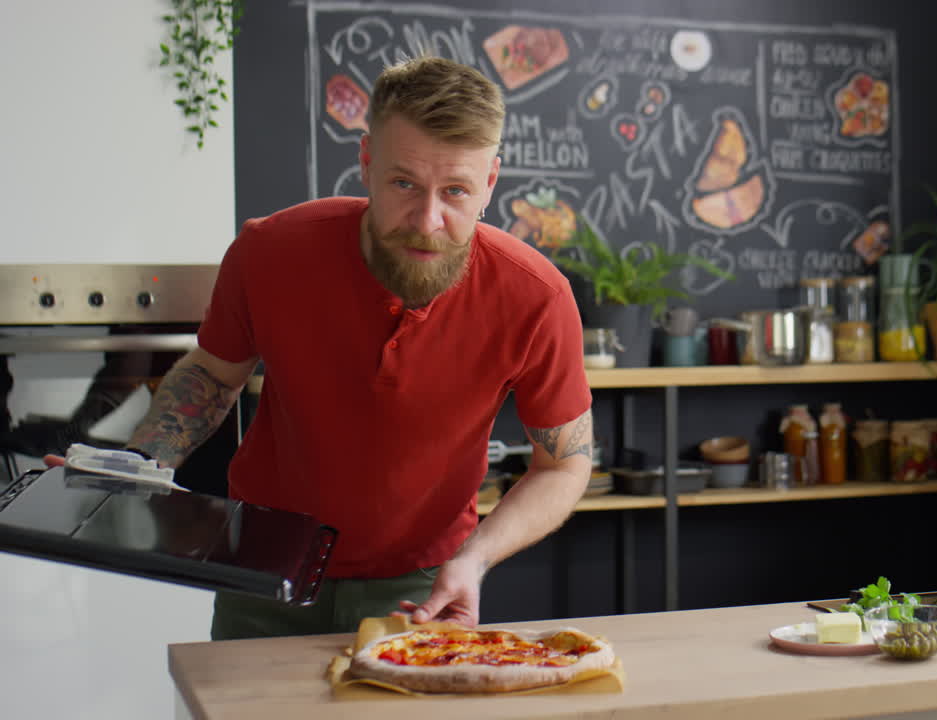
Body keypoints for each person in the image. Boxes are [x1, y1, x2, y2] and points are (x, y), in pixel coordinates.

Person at [117, 56, 594, 639]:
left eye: (456, 191)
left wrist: (473, 560)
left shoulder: (537, 296)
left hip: (423, 587)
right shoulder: (269, 253)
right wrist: (137, 466)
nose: (428, 219)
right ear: (366, 161)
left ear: (490, 183)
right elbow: (215, 375)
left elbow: (565, 464)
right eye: (404, 183)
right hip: (262, 572)